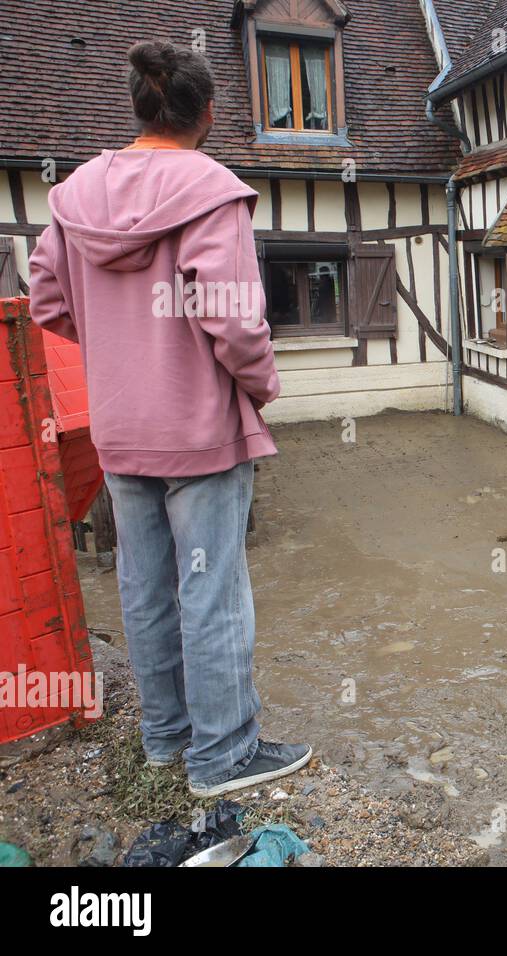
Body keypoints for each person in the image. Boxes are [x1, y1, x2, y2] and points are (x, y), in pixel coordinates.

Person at [27, 40, 311, 798]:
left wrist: (123, 346)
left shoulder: (75, 197)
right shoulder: (210, 190)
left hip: (120, 428)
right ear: (207, 112)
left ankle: (165, 740)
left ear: (138, 106)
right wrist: (264, 384)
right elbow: (236, 321)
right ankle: (222, 759)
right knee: (211, 591)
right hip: (198, 432)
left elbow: (49, 302)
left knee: (145, 589)